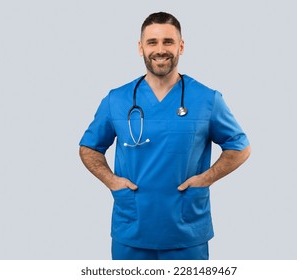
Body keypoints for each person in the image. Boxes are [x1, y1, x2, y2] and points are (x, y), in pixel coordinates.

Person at [79, 11, 251, 260]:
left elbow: (240, 147)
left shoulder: (207, 99)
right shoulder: (116, 99)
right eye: (152, 42)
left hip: (186, 230)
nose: (160, 49)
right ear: (140, 48)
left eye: (168, 42)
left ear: (181, 46)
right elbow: (89, 147)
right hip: (132, 228)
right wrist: (111, 181)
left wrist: (206, 178)